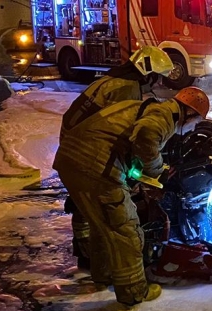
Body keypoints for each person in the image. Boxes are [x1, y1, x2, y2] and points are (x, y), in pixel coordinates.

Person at [53, 87, 210, 306]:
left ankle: (104, 276)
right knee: (126, 229)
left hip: (72, 160)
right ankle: (134, 292)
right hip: (94, 167)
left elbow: (129, 142)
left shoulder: (149, 107)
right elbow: (146, 134)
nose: (192, 128)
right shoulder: (165, 115)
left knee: (102, 225)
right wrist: (159, 171)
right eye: (196, 122)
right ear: (190, 113)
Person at [61, 46, 174, 277]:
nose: (158, 83)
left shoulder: (112, 79)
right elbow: (121, 132)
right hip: (86, 151)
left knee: (84, 205)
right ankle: (95, 259)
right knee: (107, 210)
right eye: (158, 77)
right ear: (148, 72)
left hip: (71, 143)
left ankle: (88, 257)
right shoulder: (126, 89)